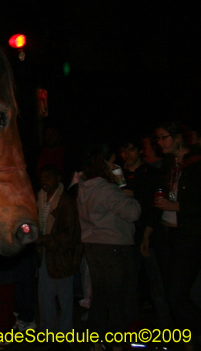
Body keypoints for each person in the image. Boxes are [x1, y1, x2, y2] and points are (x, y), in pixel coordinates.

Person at [77, 145, 141, 351]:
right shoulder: (106, 189)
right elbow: (132, 213)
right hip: (113, 246)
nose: (116, 166)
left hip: (93, 246)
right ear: (104, 164)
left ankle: (96, 341)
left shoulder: (84, 187)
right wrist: (129, 196)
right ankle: (115, 344)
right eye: (112, 162)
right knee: (116, 297)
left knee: (100, 295)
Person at [144, 122, 201, 346]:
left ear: (177, 137)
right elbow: (157, 203)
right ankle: (188, 341)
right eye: (157, 139)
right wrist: (147, 234)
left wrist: (176, 207)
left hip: (189, 236)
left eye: (163, 137)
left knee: (177, 295)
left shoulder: (196, 163)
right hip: (166, 236)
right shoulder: (168, 165)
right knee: (170, 292)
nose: (160, 143)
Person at [117, 136, 171, 328]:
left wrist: (148, 233)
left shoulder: (151, 173)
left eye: (131, 149)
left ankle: (168, 330)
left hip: (149, 235)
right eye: (123, 151)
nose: (127, 155)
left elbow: (155, 208)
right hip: (125, 237)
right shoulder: (117, 174)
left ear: (139, 150)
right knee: (128, 287)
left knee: (158, 287)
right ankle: (133, 330)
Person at [36, 164, 82, 338]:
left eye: (48, 177)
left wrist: (42, 240)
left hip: (62, 256)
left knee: (64, 299)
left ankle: (64, 336)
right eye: (41, 178)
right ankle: (48, 333)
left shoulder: (66, 202)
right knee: (45, 298)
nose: (44, 181)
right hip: (46, 254)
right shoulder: (40, 198)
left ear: (58, 178)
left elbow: (70, 236)